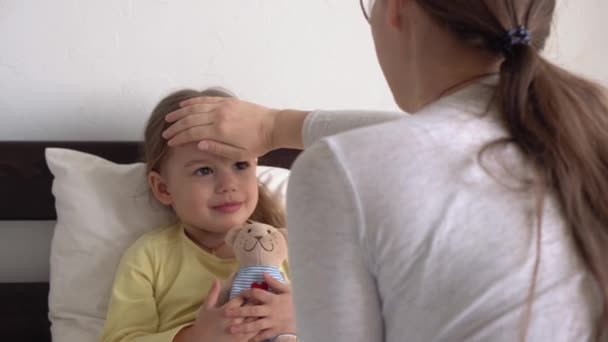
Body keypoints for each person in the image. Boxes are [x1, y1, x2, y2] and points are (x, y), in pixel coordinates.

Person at [162, 0, 608, 341]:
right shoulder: (585, 131)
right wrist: (276, 125)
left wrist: (279, 125)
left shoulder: (340, 172)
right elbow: (441, 138)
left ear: (397, 10)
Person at [100, 88, 296, 342]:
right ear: (163, 188)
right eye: (204, 170)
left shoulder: (284, 247)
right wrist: (195, 337)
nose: (228, 184)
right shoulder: (150, 257)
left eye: (240, 165)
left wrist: (298, 318)